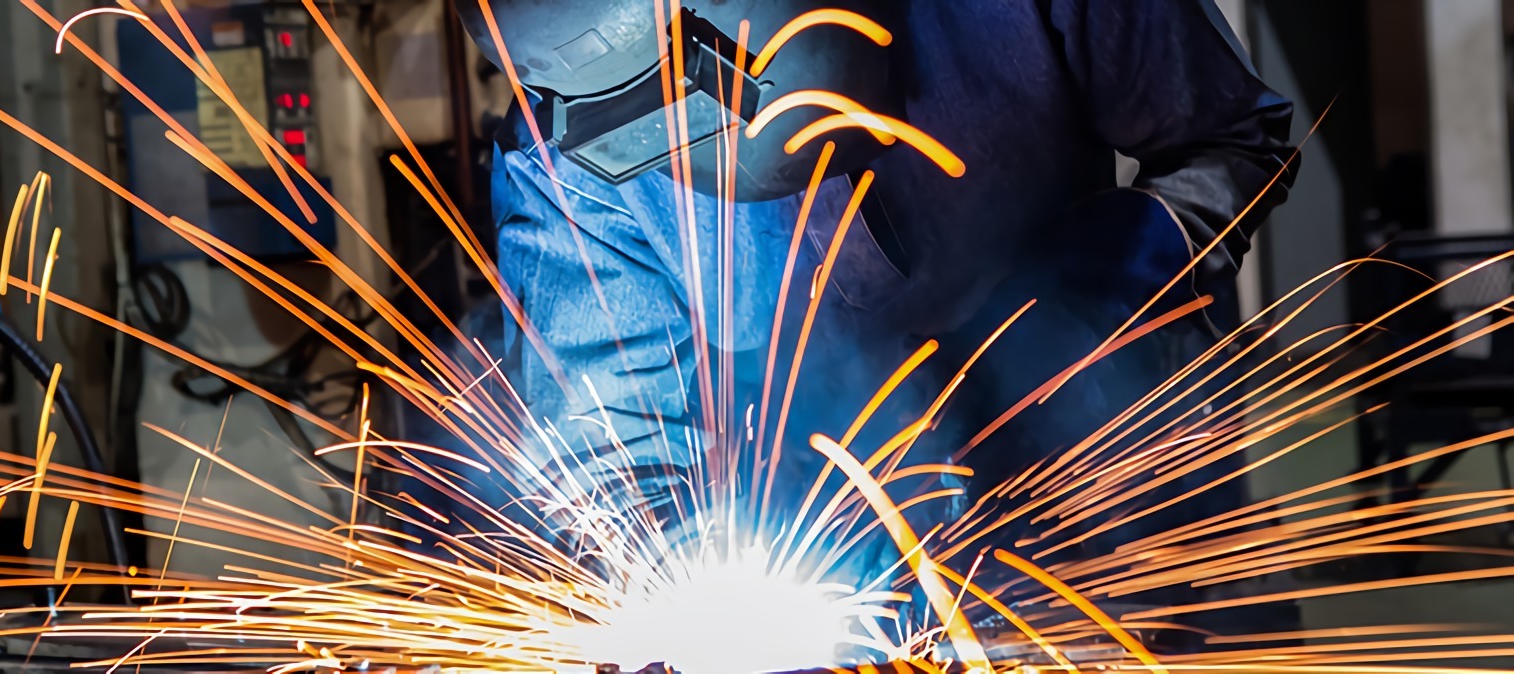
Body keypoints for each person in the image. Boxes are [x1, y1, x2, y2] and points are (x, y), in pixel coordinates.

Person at [452, 0, 1299, 581]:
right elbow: (615, 440)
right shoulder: (562, 156)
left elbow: (1232, 140)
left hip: (1107, 490)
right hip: (823, 552)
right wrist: (678, 565)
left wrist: (1092, 303)